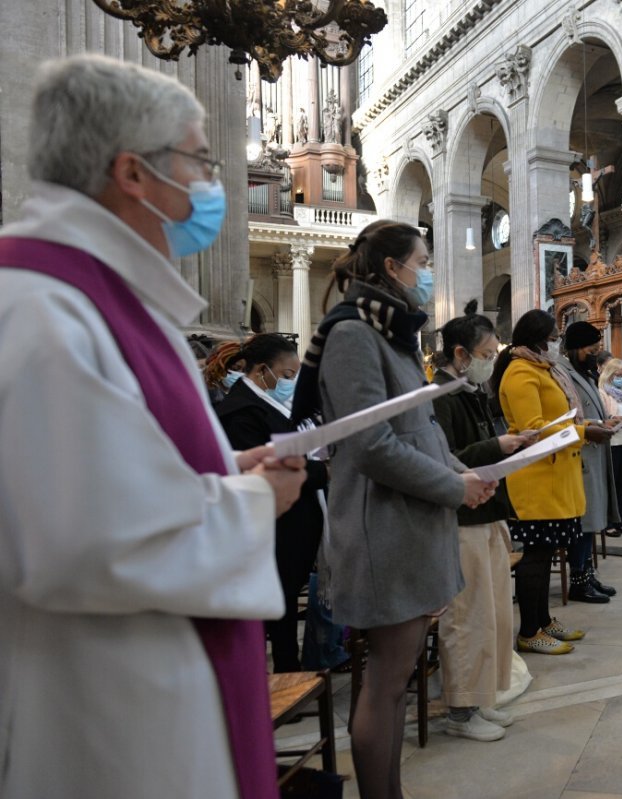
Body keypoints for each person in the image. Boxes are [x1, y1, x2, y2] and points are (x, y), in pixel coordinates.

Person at [0, 55, 308, 798]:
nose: (212, 185)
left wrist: (222, 473)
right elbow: (84, 539)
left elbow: (111, 476)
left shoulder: (102, 295)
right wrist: (256, 501)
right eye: (202, 161)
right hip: (114, 708)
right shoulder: (42, 308)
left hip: (146, 681)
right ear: (133, 173)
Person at [299, 220, 496, 799]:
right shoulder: (353, 333)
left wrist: (459, 470)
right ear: (392, 267)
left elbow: (416, 430)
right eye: (423, 260)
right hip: (383, 525)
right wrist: (452, 488)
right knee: (385, 683)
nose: (427, 271)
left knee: (395, 678)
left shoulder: (388, 333)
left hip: (408, 520)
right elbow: (370, 444)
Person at [432, 301, 535, 742]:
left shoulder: (470, 394)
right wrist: (500, 446)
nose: (491, 361)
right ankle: (459, 710)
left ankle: (482, 699)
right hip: (461, 518)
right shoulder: (439, 397)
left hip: (487, 513)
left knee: (492, 614)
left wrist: (506, 447)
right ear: (460, 354)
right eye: (486, 354)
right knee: (465, 616)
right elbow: (445, 461)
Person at [494, 309, 603, 655]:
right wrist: (586, 431)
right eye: (554, 337)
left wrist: (592, 425)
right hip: (537, 478)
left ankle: (543, 620)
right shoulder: (520, 372)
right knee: (536, 557)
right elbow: (534, 428)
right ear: (538, 338)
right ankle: (529, 631)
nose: (557, 343)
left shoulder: (546, 370)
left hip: (558, 475)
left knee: (549, 550)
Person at [217, 333, 326, 674]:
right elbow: (263, 468)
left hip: (297, 519)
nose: (291, 383)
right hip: (274, 525)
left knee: (287, 598)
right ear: (263, 371)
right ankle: (286, 674)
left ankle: (290, 671)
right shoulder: (241, 411)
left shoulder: (270, 403)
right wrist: (324, 470)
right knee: (278, 602)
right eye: (288, 375)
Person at [561, 321, 620, 601]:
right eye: (590, 348)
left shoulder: (583, 372)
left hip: (593, 451)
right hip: (580, 453)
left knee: (592, 518)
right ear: (575, 348)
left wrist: (605, 421)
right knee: (584, 522)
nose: (595, 354)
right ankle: (579, 581)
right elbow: (568, 415)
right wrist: (595, 424)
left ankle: (588, 574)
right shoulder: (565, 373)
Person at [599, 357, 622, 535]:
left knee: (621, 483)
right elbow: (602, 418)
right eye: (618, 375)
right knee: (611, 483)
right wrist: (613, 420)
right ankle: (608, 522)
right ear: (609, 375)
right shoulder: (603, 393)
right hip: (612, 442)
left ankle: (620, 520)